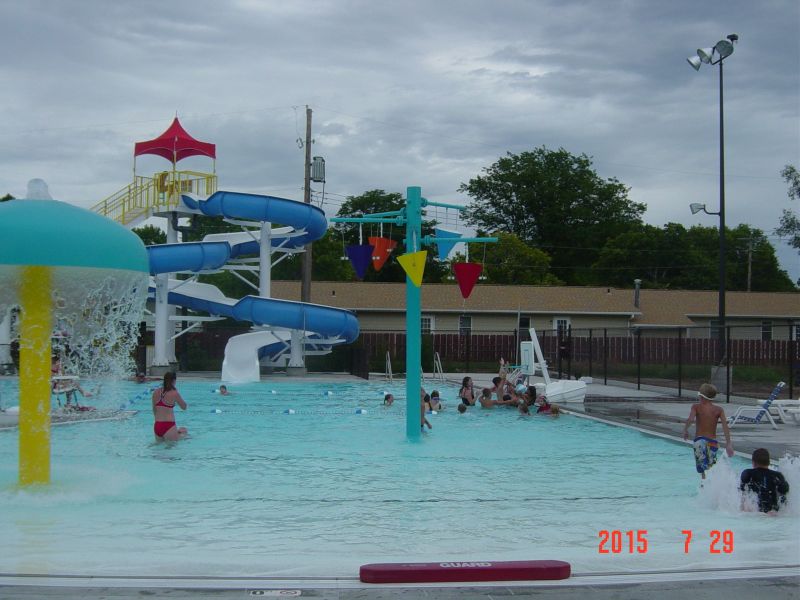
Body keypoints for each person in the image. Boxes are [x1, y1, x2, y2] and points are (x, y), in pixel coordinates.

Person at [682, 383, 734, 480]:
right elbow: (725, 427)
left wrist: (685, 430)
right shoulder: (719, 410)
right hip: (712, 442)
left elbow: (690, 419)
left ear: (701, 396)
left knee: (702, 469)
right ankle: (713, 485)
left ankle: (704, 485)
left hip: (699, 441)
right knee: (711, 467)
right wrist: (728, 443)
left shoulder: (696, 407)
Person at [740, 448, 790, 513]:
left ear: (753, 462)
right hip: (773, 513)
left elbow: (742, 492)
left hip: (755, 512)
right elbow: (784, 493)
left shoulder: (748, 473)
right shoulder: (778, 475)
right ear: (769, 462)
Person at [152, 371, 188, 442]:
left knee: (158, 450)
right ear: (174, 381)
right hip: (168, 425)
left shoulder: (155, 392)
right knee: (184, 433)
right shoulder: (174, 393)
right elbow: (184, 407)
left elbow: (154, 409)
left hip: (157, 425)